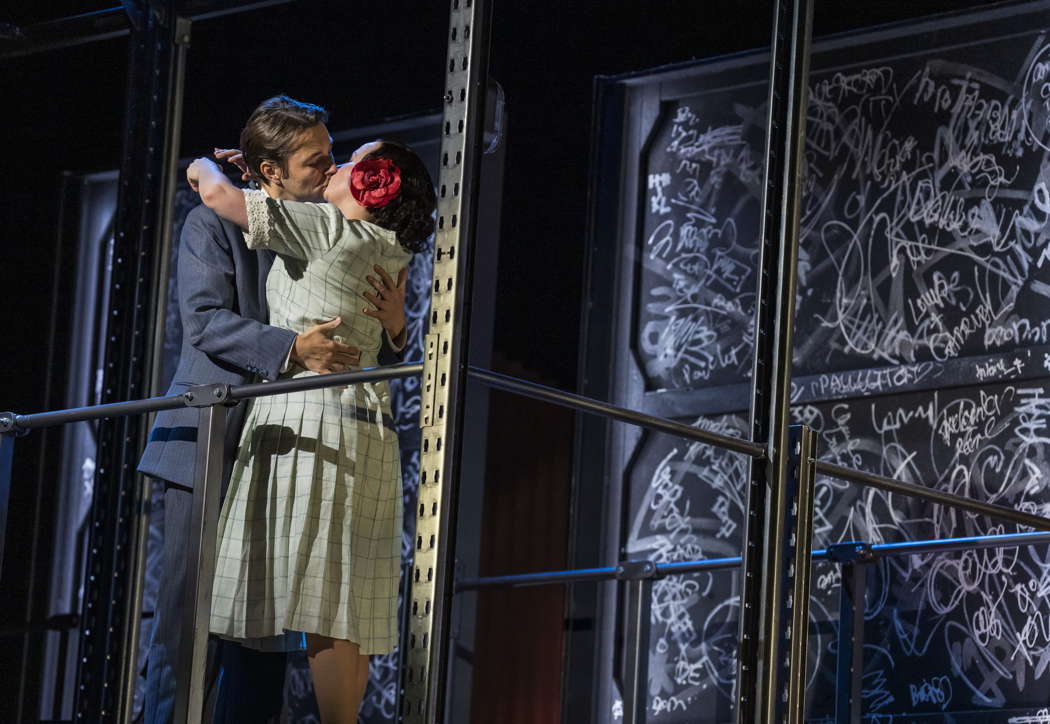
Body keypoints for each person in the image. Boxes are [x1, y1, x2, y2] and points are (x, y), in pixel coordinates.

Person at [137, 96, 408, 723]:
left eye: (332, 157)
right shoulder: (214, 225)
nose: (330, 171)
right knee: (190, 622)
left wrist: (395, 330)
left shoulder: (330, 225)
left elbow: (371, 325)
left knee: (263, 626)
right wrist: (292, 348)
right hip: (213, 441)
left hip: (283, 447)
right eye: (315, 161)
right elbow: (204, 322)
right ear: (269, 173)